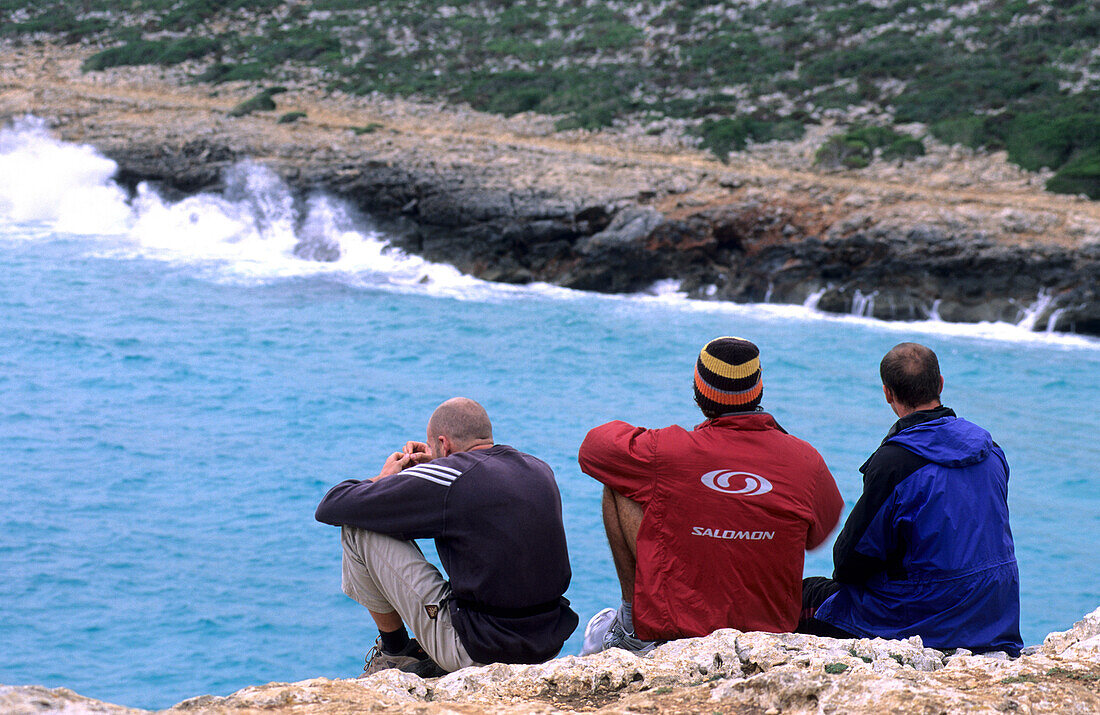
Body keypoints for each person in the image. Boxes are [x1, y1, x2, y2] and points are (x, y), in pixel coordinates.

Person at [577, 336, 843, 654]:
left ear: (699, 391)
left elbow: (593, 448)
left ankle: (633, 625)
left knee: (620, 482)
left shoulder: (668, 451)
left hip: (679, 630)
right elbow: (818, 534)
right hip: (767, 633)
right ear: (758, 389)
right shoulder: (806, 459)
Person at [315, 397, 578, 676]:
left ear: (444, 443)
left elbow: (333, 505)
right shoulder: (538, 469)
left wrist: (384, 480)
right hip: (546, 642)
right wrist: (439, 463)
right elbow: (472, 491)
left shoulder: (452, 477)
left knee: (358, 528)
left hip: (481, 650)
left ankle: (396, 651)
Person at [800, 342, 1023, 655]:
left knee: (804, 597)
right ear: (940, 383)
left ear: (888, 394)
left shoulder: (895, 463)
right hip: (995, 615)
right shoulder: (990, 451)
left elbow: (848, 565)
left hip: (929, 620)